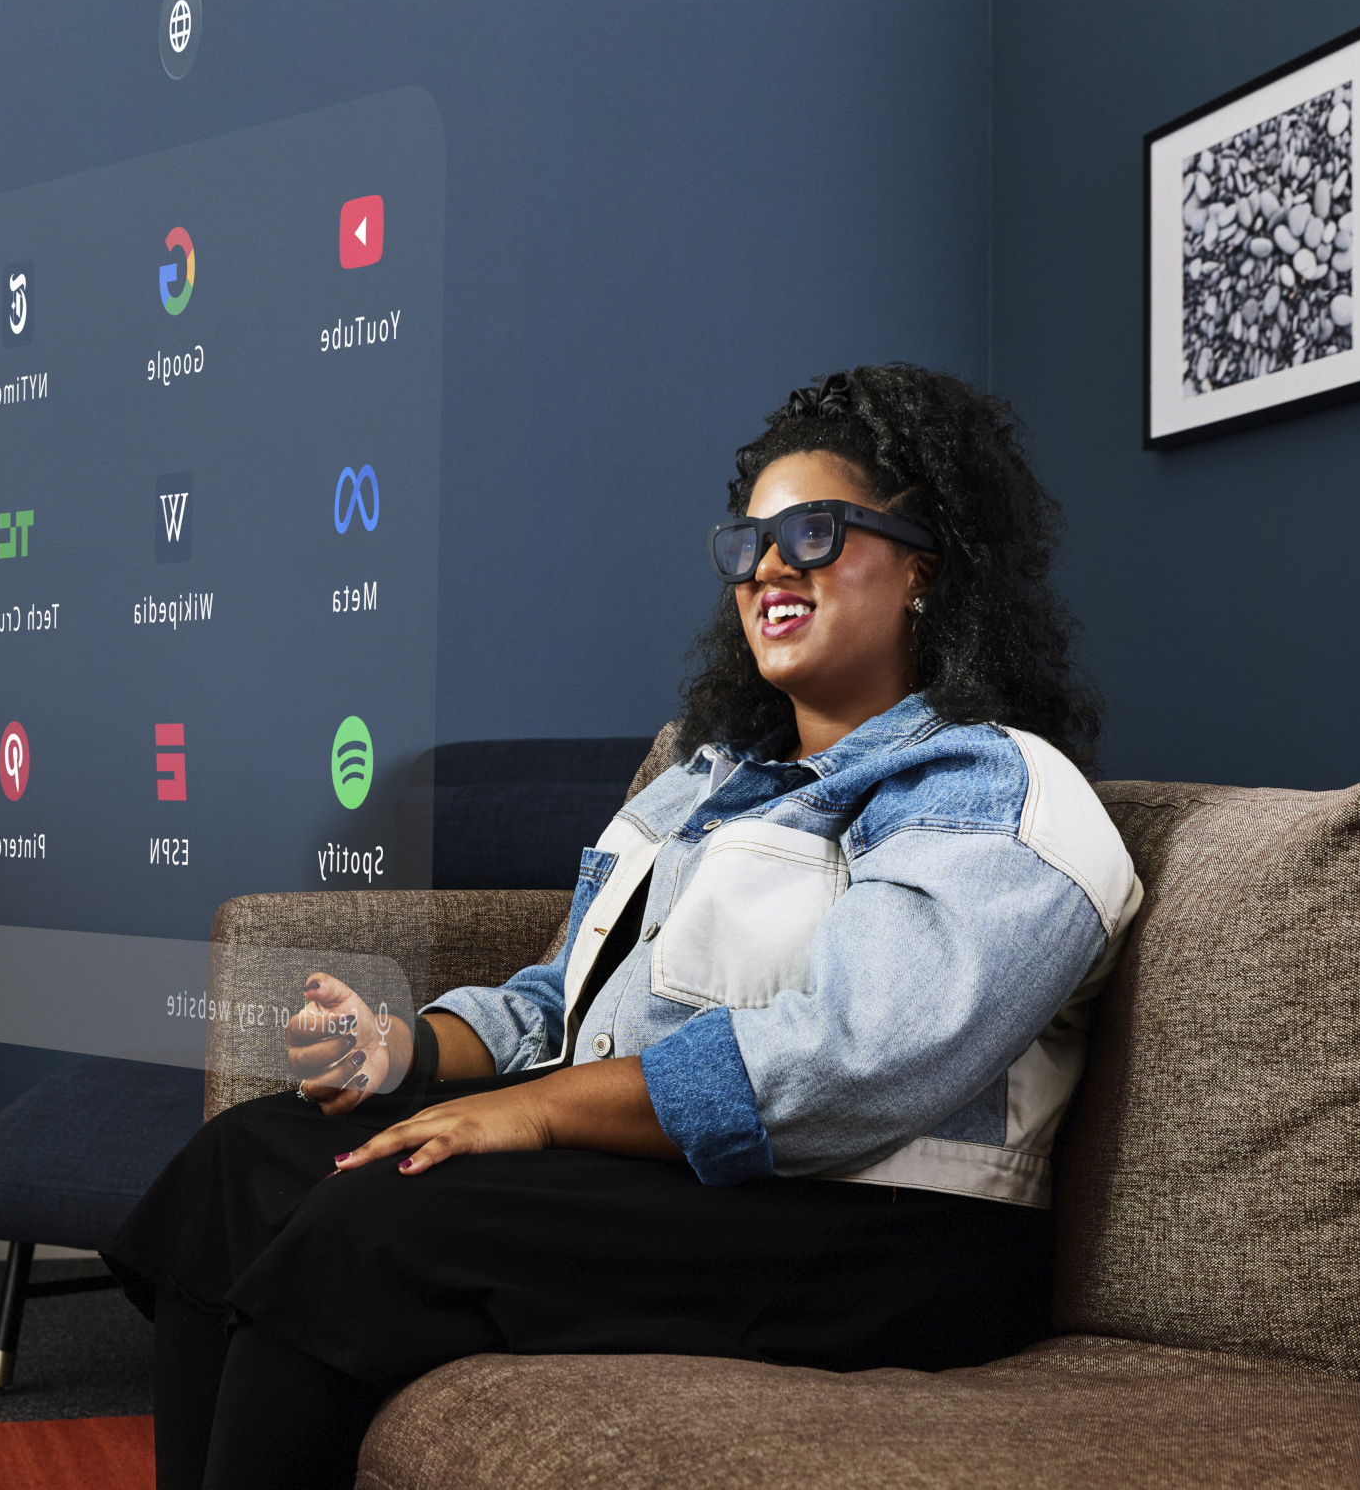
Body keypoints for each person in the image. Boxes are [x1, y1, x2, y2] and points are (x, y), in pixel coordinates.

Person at [104, 365, 1140, 1490]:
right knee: (239, 1164)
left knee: (374, 1220)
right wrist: (403, 1048)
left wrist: (538, 1112)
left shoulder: (991, 786)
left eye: (816, 530)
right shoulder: (696, 785)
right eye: (749, 544)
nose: (771, 567)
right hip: (679, 1179)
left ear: (925, 565)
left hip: (878, 1226)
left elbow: (854, 1061)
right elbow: (556, 1001)